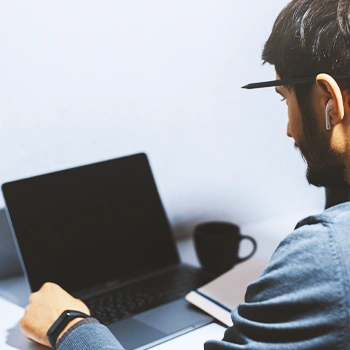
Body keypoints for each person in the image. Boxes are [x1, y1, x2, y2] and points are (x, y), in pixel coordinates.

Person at [20, 0, 350, 348]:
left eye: (284, 99)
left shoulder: (326, 255)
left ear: (330, 100)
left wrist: (70, 327)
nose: (288, 129)